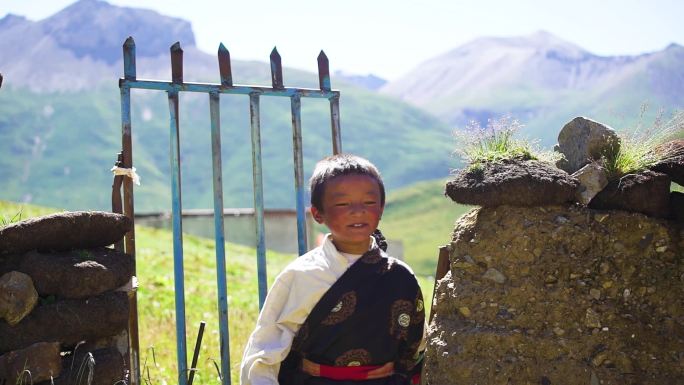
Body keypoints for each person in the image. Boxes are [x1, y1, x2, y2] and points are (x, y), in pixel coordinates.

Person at [240, 153, 425, 385]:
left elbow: (416, 348)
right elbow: (266, 350)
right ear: (318, 213)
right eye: (342, 204)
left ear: (381, 208)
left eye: (369, 202)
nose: (358, 210)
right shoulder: (301, 276)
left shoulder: (400, 277)